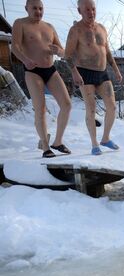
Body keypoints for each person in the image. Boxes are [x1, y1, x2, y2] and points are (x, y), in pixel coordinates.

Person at [12, 0, 72, 158]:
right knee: (41, 109)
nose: (38, 11)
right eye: (34, 8)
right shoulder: (20, 23)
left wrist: (59, 51)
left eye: (41, 8)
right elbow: (15, 46)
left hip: (51, 70)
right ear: (26, 8)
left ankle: (57, 142)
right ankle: (45, 147)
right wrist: (25, 60)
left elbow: (63, 52)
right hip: (32, 71)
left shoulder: (49, 27)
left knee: (66, 104)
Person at [64, 0, 122, 156]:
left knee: (112, 107)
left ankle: (105, 138)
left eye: (93, 9)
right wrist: (74, 72)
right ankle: (94, 143)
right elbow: (67, 55)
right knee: (91, 108)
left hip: (103, 73)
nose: (91, 12)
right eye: (87, 10)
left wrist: (116, 70)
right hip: (85, 73)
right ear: (79, 11)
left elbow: (107, 51)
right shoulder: (76, 30)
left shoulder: (102, 28)